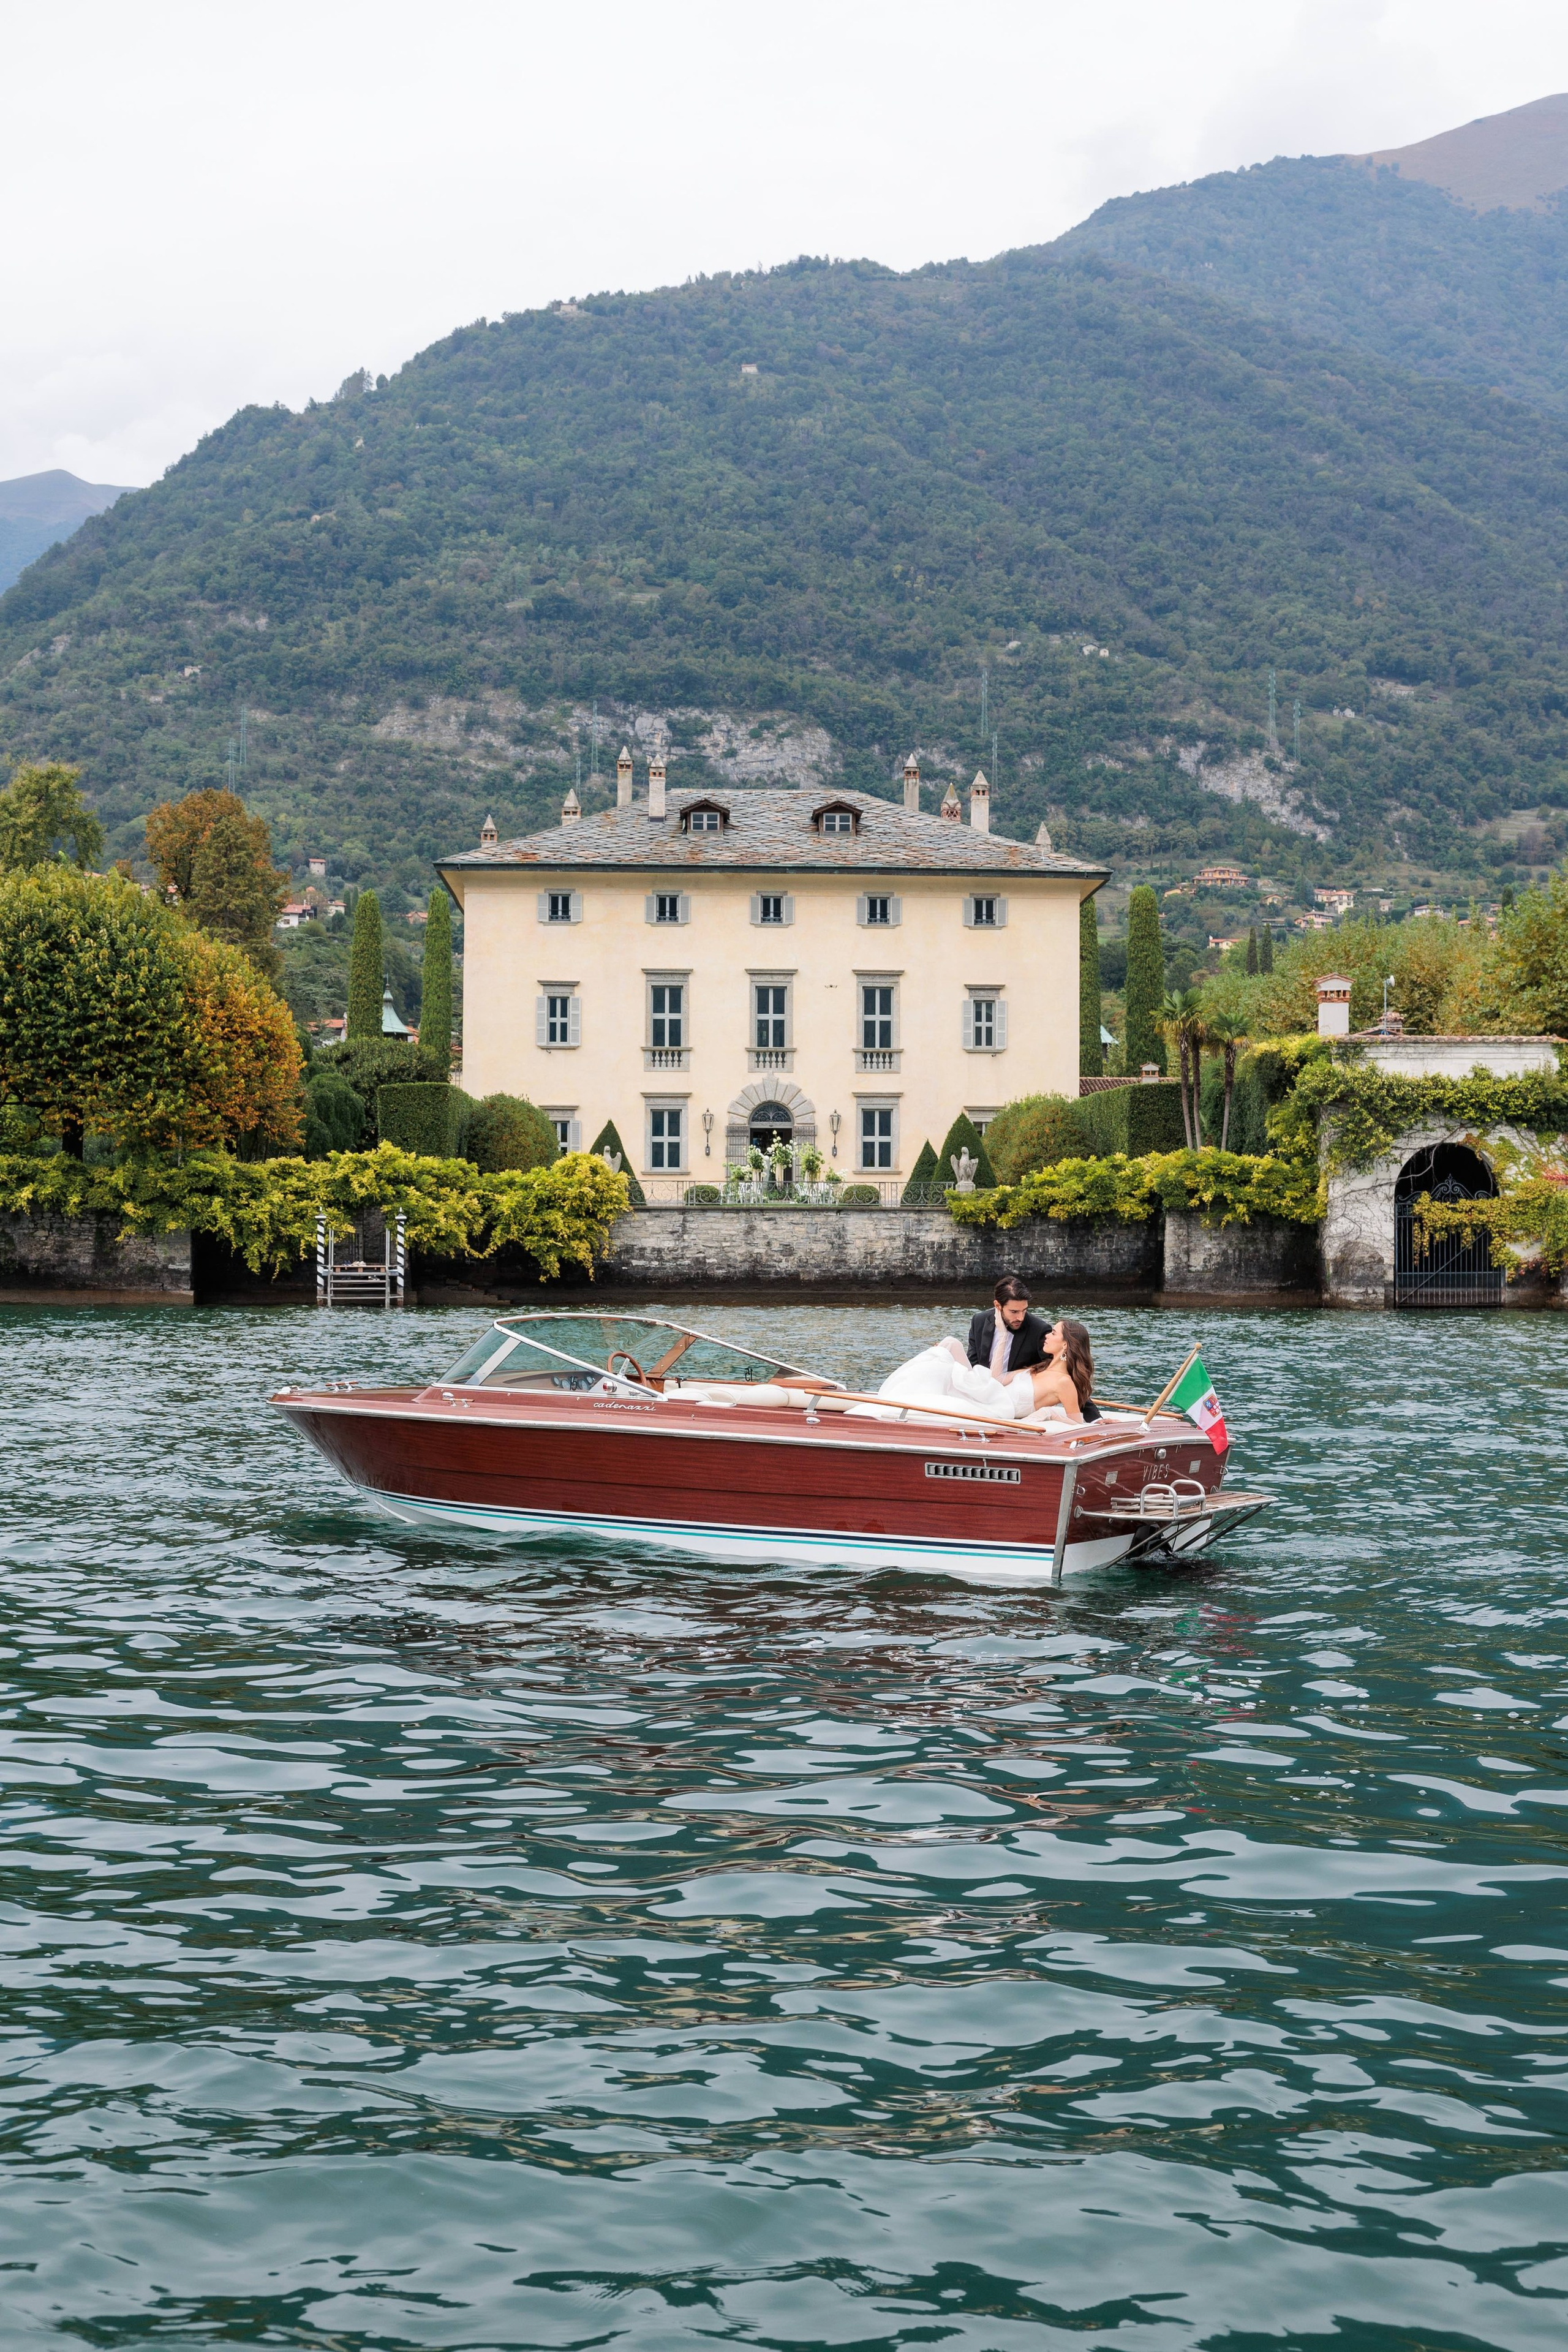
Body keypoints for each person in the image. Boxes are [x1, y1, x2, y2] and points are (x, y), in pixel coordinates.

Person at [967, 1273, 1051, 1381]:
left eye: (1024, 1310)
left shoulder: (1040, 1330)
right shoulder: (979, 1321)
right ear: (998, 1305)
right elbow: (972, 1364)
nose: (1021, 1318)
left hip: (1016, 1389)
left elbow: (1051, 1369)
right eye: (1014, 1312)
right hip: (980, 1385)